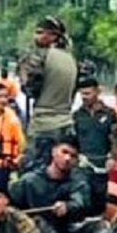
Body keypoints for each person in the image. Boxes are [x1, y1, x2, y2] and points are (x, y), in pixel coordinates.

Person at [10, 137, 91, 233]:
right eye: (64, 152)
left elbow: (80, 203)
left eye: (73, 156)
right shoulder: (30, 180)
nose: (67, 158)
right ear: (53, 152)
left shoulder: (78, 181)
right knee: (38, 223)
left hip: (65, 231)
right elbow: (10, 202)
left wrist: (67, 207)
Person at [17, 16, 79, 172]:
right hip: (66, 123)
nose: (36, 36)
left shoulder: (39, 57)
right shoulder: (71, 59)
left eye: (40, 32)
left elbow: (30, 88)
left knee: (34, 171)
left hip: (43, 125)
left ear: (51, 36)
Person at [72, 76, 117, 216]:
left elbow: (116, 138)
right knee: (82, 193)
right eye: (82, 94)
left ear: (97, 92)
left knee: (99, 195)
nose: (84, 97)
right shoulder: (77, 116)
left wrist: (113, 157)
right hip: (82, 164)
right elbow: (72, 140)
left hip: (101, 163)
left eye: (88, 93)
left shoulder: (109, 114)